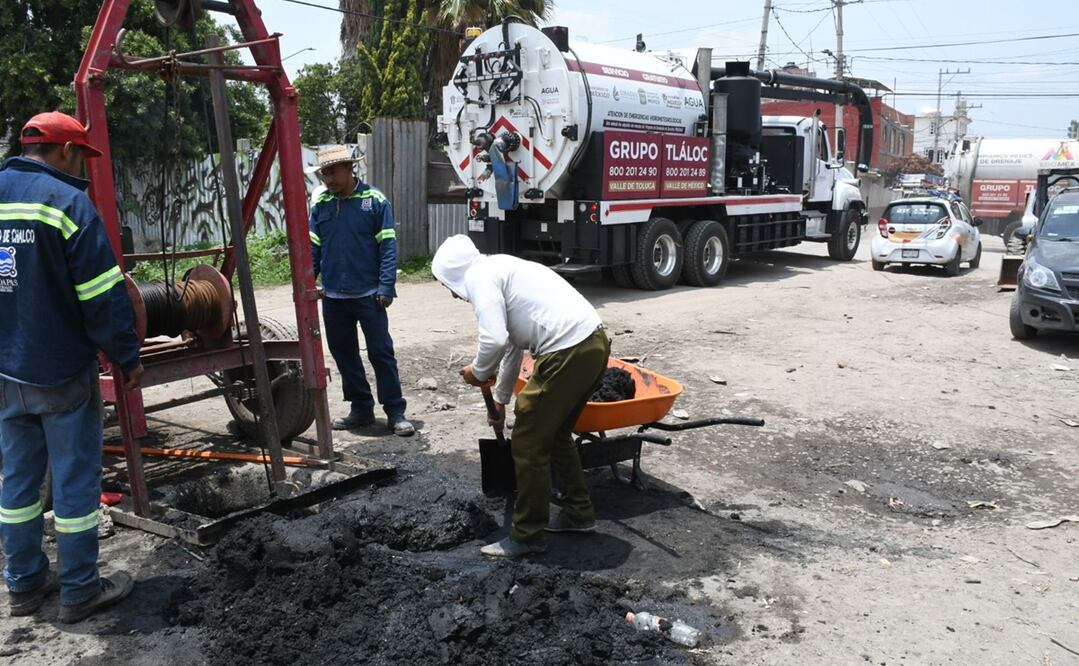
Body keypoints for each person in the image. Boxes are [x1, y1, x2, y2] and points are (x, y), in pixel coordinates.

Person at [0, 112, 143, 622]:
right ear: (64, 152)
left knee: (16, 484)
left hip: (5, 373)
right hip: (58, 370)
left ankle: (22, 585)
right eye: (80, 154)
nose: (81, 163)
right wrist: (126, 355)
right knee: (76, 482)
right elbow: (102, 295)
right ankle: (80, 588)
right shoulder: (67, 203)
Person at [431, 235, 610, 558]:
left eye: (447, 286)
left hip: (567, 350)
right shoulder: (502, 267)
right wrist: (499, 400)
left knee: (527, 437)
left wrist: (477, 371)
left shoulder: (479, 276)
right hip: (593, 344)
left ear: (453, 276)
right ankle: (578, 514)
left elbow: (495, 338)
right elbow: (513, 344)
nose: (453, 295)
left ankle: (527, 535)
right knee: (555, 433)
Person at [308, 145, 414, 437]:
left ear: (349, 168)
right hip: (333, 297)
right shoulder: (322, 206)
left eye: (333, 171)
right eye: (324, 173)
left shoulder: (375, 201)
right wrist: (307, 282)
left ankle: (395, 412)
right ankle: (361, 409)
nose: (328, 179)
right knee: (344, 353)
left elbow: (388, 247)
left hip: (369, 295)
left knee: (381, 353)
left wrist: (386, 285)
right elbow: (313, 250)